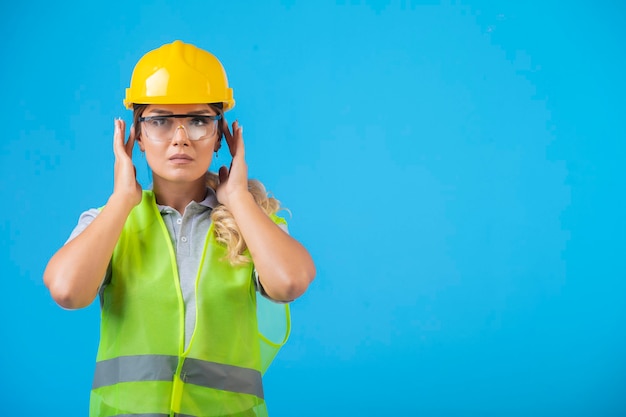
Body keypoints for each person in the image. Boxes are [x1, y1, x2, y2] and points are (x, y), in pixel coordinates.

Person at [43, 40, 316, 417]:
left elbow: (290, 283)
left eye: (200, 121)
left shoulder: (250, 222)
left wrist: (237, 198)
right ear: (136, 136)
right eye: (160, 120)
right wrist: (123, 198)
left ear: (221, 135)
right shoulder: (110, 223)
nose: (180, 137)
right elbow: (67, 292)